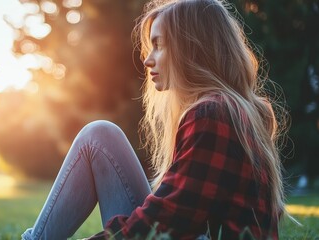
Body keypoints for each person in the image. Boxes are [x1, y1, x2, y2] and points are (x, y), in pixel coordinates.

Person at [22, 0, 290, 239]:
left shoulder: (213, 112)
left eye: (159, 45)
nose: (148, 60)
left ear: (192, 48)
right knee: (101, 135)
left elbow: (169, 219)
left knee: (98, 137)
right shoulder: (237, 111)